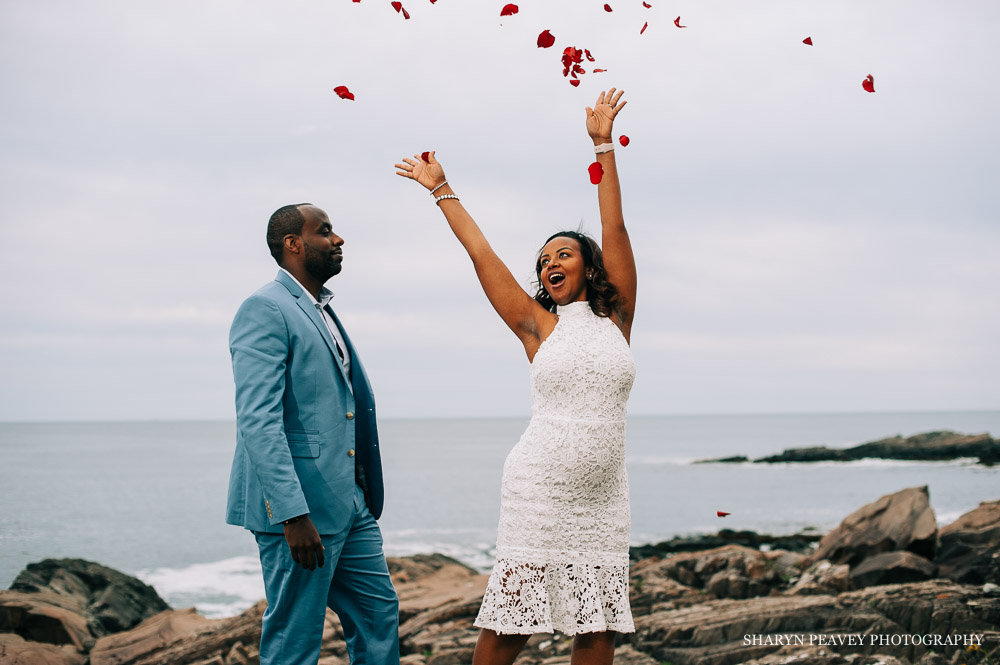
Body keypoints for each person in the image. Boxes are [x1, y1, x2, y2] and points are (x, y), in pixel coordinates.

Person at [394, 88, 637, 665]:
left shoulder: (618, 316)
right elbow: (482, 254)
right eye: (544, 260)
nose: (550, 263)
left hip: (604, 496)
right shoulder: (536, 326)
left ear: (590, 265)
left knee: (596, 623)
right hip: (539, 486)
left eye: (563, 255)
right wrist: (441, 190)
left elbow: (616, 224)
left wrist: (603, 144)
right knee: (510, 622)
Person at [226, 203, 399, 665]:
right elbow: (258, 419)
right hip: (299, 512)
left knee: (379, 617)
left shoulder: (322, 310)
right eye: (325, 232)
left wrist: (360, 489)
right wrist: (292, 514)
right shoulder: (265, 308)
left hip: (349, 504)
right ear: (293, 244)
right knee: (295, 640)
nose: (338, 239)